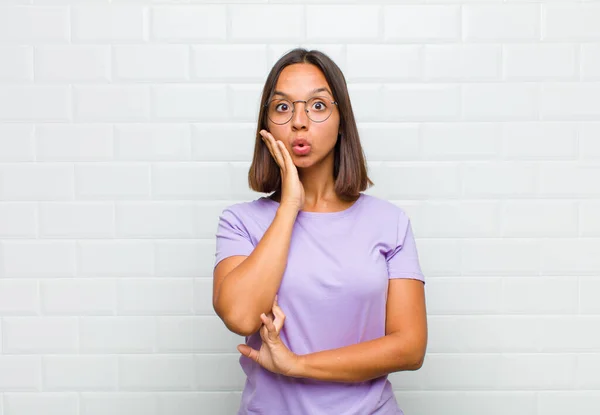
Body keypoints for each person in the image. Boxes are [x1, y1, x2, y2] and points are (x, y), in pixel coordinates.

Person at [212, 48, 427, 415]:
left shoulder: (389, 222)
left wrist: (297, 365)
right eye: (283, 107)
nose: (299, 121)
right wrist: (291, 203)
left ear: (342, 119)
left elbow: (409, 347)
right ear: (266, 124)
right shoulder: (240, 223)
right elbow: (240, 316)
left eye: (317, 106)